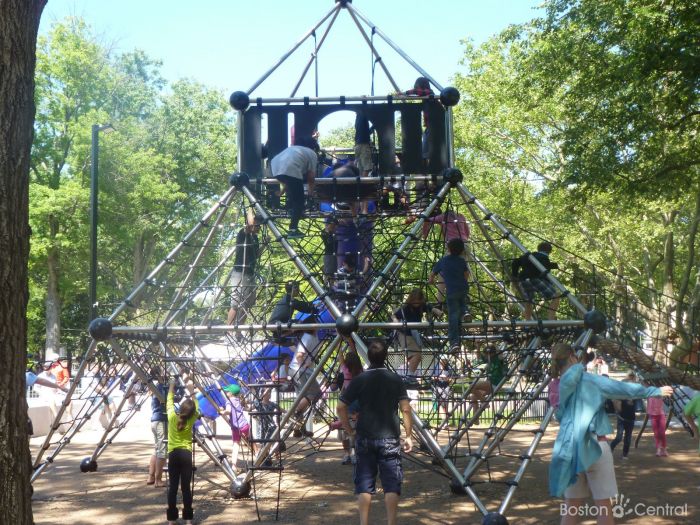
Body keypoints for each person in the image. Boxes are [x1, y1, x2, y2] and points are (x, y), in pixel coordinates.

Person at [548, 343, 673, 525]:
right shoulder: (589, 380)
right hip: (595, 446)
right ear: (573, 358)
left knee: (571, 507)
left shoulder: (554, 387)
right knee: (604, 507)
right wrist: (653, 391)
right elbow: (621, 389)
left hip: (569, 450)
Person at [337, 341, 413, 525]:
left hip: (364, 436)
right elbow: (405, 409)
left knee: (364, 484)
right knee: (392, 485)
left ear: (368, 357)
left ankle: (364, 522)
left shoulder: (359, 380)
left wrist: (349, 431)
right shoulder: (395, 379)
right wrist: (409, 434)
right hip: (390, 437)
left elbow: (341, 407)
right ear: (385, 356)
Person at [270, 136, 319, 238]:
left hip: (275, 168)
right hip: (291, 170)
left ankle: (293, 210)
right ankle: (293, 229)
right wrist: (310, 193)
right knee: (299, 200)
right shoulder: (312, 153)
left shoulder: (295, 149)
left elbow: (288, 177)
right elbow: (311, 177)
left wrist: (282, 192)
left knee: (294, 192)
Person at [166, 376, 199, 525]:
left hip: (173, 454)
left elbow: (169, 402)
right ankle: (188, 520)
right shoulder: (192, 419)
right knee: (186, 488)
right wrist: (191, 390)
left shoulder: (172, 417)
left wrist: (172, 386)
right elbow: (196, 407)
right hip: (186, 454)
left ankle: (172, 520)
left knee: (173, 487)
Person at [429, 238, 470, 353]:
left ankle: (454, 343)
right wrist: (464, 281)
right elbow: (466, 274)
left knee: (453, 317)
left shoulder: (443, 260)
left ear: (448, 249)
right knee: (462, 301)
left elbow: (433, 273)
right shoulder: (462, 261)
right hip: (462, 288)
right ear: (462, 251)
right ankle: (466, 312)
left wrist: (431, 280)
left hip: (451, 291)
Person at [392, 289, 442, 374]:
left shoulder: (421, 306)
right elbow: (394, 315)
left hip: (412, 333)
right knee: (417, 355)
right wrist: (396, 323)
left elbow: (429, 307)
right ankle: (410, 377)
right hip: (404, 333)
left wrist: (436, 311)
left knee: (415, 356)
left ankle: (409, 376)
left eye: (418, 301)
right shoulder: (406, 308)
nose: (416, 304)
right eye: (414, 301)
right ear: (411, 300)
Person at [226, 213, 261, 329]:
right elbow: (249, 226)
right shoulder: (243, 233)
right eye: (257, 225)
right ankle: (229, 330)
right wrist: (252, 208)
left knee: (248, 304)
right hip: (240, 272)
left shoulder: (255, 238)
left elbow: (256, 255)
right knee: (236, 303)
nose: (259, 228)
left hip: (250, 273)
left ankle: (239, 330)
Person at [511, 241, 561, 321]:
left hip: (523, 280)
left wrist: (514, 276)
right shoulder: (544, 258)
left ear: (538, 249)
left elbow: (515, 262)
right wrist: (550, 282)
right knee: (556, 296)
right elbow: (544, 270)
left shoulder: (530, 256)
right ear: (550, 251)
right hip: (535, 279)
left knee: (529, 301)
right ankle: (551, 319)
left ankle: (528, 322)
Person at [220, 383, 251, 470]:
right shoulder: (238, 400)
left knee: (236, 445)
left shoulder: (229, 401)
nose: (226, 393)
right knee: (250, 440)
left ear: (231, 393)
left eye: (227, 391)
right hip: (244, 425)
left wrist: (223, 412)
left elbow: (229, 411)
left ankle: (234, 465)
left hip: (236, 428)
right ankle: (258, 454)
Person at [147, 367, 169, 487]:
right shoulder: (161, 387)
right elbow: (168, 400)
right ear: (160, 374)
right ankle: (158, 479)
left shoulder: (155, 387)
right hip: (161, 420)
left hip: (155, 420)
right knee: (162, 450)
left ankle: (151, 476)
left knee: (157, 449)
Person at [609, 372, 638, 460]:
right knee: (619, 437)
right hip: (622, 418)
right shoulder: (621, 395)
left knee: (628, 438)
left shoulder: (635, 395)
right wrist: (618, 405)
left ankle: (625, 454)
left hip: (631, 418)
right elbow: (617, 405)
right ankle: (610, 449)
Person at [645, 387, 668, 457]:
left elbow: (667, 393)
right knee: (656, 433)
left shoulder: (661, 394)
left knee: (662, 433)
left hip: (661, 415)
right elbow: (648, 404)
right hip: (653, 415)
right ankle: (658, 449)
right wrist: (647, 412)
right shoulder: (649, 395)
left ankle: (664, 449)